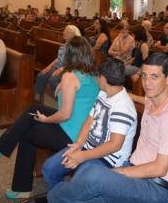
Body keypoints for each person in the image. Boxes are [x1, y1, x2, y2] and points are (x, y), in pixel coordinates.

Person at [47, 53, 168, 203]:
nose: (147, 83)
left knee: (93, 175)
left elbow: (159, 169)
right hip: (134, 172)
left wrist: (118, 172)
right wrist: (128, 95)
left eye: (154, 76)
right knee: (83, 190)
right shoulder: (151, 99)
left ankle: (51, 197)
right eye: (144, 76)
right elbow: (143, 98)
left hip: (154, 187)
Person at [0, 36, 100, 199]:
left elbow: (64, 114)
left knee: (27, 133)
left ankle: (19, 184)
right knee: (33, 108)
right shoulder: (94, 75)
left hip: (71, 134)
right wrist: (63, 81)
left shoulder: (70, 76)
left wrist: (46, 120)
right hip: (84, 130)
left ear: (71, 55)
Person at [43, 57, 137, 191]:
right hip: (89, 147)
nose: (96, 78)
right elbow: (89, 119)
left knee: (78, 182)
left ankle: (66, 196)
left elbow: (114, 145)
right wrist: (79, 144)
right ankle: (63, 197)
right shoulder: (103, 93)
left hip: (108, 160)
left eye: (97, 76)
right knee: (49, 168)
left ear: (103, 79)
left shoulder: (123, 106)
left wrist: (82, 156)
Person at [34, 25, 81, 102]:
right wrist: (49, 66)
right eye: (64, 31)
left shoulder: (75, 47)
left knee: (53, 80)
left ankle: (63, 101)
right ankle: (37, 96)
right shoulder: (63, 45)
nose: (64, 33)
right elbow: (58, 59)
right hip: (58, 67)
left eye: (67, 32)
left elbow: (74, 62)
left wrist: (61, 69)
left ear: (73, 35)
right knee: (41, 75)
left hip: (68, 69)